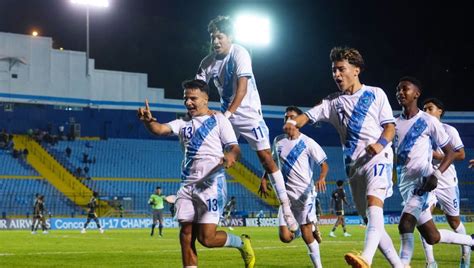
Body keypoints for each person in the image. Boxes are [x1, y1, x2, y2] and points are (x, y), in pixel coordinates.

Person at [283, 46, 402, 267]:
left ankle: (365, 258)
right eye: (334, 70)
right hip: (353, 166)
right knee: (371, 220)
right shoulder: (332, 102)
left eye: (341, 69)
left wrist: (379, 144)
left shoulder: (376, 94)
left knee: (374, 204)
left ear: (356, 70)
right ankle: (400, 265)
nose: (336, 74)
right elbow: (306, 116)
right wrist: (292, 123)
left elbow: (390, 128)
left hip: (379, 158)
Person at [138, 79, 255, 268]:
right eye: (186, 98)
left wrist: (230, 157)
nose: (188, 102)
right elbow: (159, 129)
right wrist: (148, 121)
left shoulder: (218, 120)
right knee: (186, 234)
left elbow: (234, 148)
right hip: (187, 186)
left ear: (205, 98)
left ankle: (241, 243)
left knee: (207, 239)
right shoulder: (182, 122)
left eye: (193, 98)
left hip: (211, 184)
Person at [195, 15, 298, 232]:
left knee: (266, 159)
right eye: (213, 37)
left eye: (220, 37)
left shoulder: (240, 52)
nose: (215, 41)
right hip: (226, 115)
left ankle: (286, 207)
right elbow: (198, 91)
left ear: (230, 37)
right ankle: (203, 204)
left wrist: (229, 114)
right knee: (212, 154)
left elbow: (242, 88)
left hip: (249, 115)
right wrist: (198, 113)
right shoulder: (207, 63)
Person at [394, 76, 474, 267]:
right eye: (398, 89)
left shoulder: (430, 122)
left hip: (427, 182)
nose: (400, 92)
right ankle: (471, 241)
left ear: (416, 94)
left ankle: (406, 264)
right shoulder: (393, 124)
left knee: (406, 224)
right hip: (406, 184)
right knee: (432, 236)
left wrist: (435, 175)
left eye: (405, 89)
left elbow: (454, 152)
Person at [265, 105, 329, 267]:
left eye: (292, 117)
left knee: (307, 235)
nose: (288, 120)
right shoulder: (278, 141)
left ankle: (318, 265)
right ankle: (310, 225)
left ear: (299, 121)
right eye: (286, 117)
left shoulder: (308, 142)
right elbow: (272, 163)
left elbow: (324, 164)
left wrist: (321, 178)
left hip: (304, 194)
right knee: (285, 237)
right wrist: (264, 178)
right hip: (285, 196)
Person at [421, 97, 471, 267]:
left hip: (447, 182)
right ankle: (431, 262)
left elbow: (461, 154)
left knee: (454, 222)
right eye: (424, 109)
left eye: (430, 109)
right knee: (424, 218)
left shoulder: (449, 130)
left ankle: (465, 257)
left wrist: (438, 156)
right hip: (427, 182)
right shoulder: (422, 132)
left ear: (440, 111)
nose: (426, 112)